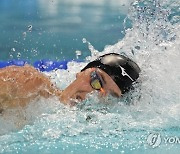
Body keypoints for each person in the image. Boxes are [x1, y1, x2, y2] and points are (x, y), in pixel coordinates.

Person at [0, 53, 140, 113]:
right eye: (96, 80)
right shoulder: (29, 84)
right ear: (82, 72)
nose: (94, 94)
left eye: (109, 96)